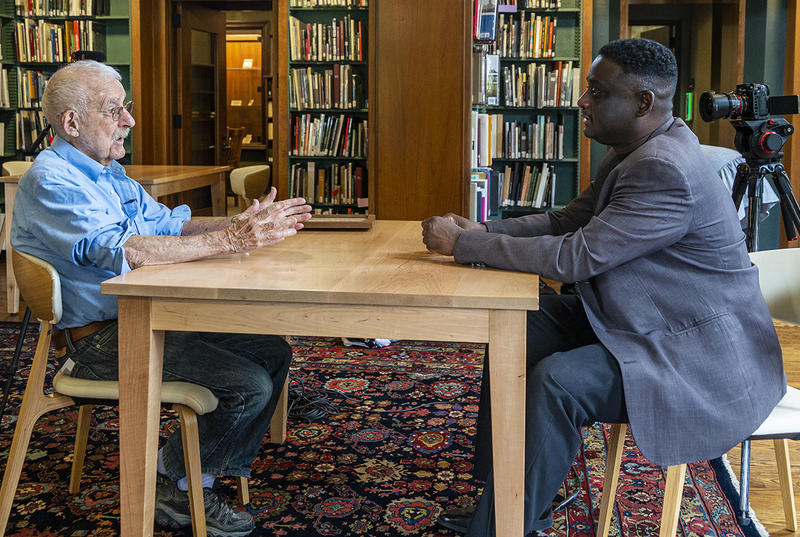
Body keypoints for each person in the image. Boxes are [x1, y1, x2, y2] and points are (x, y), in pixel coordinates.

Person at [421, 38, 785, 537]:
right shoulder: (636, 151)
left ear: (642, 102)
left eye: (596, 91)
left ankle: (503, 526)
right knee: (510, 331)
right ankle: (508, 499)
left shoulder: (664, 169)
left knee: (557, 381)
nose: (582, 100)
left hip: (690, 353)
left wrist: (465, 245)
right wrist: (486, 233)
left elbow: (576, 256)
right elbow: (569, 220)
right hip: (637, 318)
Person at [11, 60, 312, 537]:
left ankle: (198, 475)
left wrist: (248, 225)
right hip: (100, 340)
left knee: (272, 351)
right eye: (115, 110)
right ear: (71, 122)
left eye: (125, 107)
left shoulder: (107, 173)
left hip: (145, 316)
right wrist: (232, 239)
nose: (129, 120)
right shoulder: (53, 181)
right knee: (250, 384)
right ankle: (170, 481)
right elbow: (125, 251)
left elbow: (168, 224)